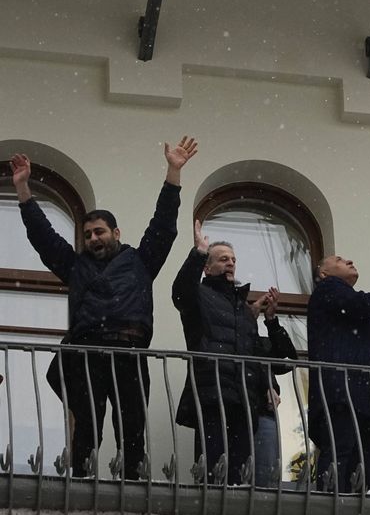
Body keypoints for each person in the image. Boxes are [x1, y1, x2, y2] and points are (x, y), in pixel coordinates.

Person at [9, 138, 198, 478]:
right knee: (87, 425)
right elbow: (43, 236)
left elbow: (164, 225)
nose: (93, 239)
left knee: (132, 425)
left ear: (116, 232)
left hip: (129, 351)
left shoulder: (141, 261)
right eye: (88, 234)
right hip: (87, 353)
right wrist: (23, 190)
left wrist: (173, 172)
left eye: (99, 232)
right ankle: (81, 482)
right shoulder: (75, 265)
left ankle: (131, 485)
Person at [172, 221, 296, 484]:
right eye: (222, 259)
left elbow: (268, 357)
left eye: (233, 259)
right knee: (213, 472)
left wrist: (266, 384)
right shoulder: (201, 294)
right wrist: (198, 253)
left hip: (244, 401)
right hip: (213, 395)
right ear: (207, 267)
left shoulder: (243, 309)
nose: (230, 263)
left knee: (240, 477)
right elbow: (180, 293)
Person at [307, 254, 370, 493]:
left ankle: (347, 505)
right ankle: (331, 504)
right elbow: (360, 304)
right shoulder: (328, 290)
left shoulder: (347, 305)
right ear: (324, 274)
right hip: (343, 392)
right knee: (342, 453)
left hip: (360, 396)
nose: (349, 260)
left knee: (360, 459)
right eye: (340, 259)